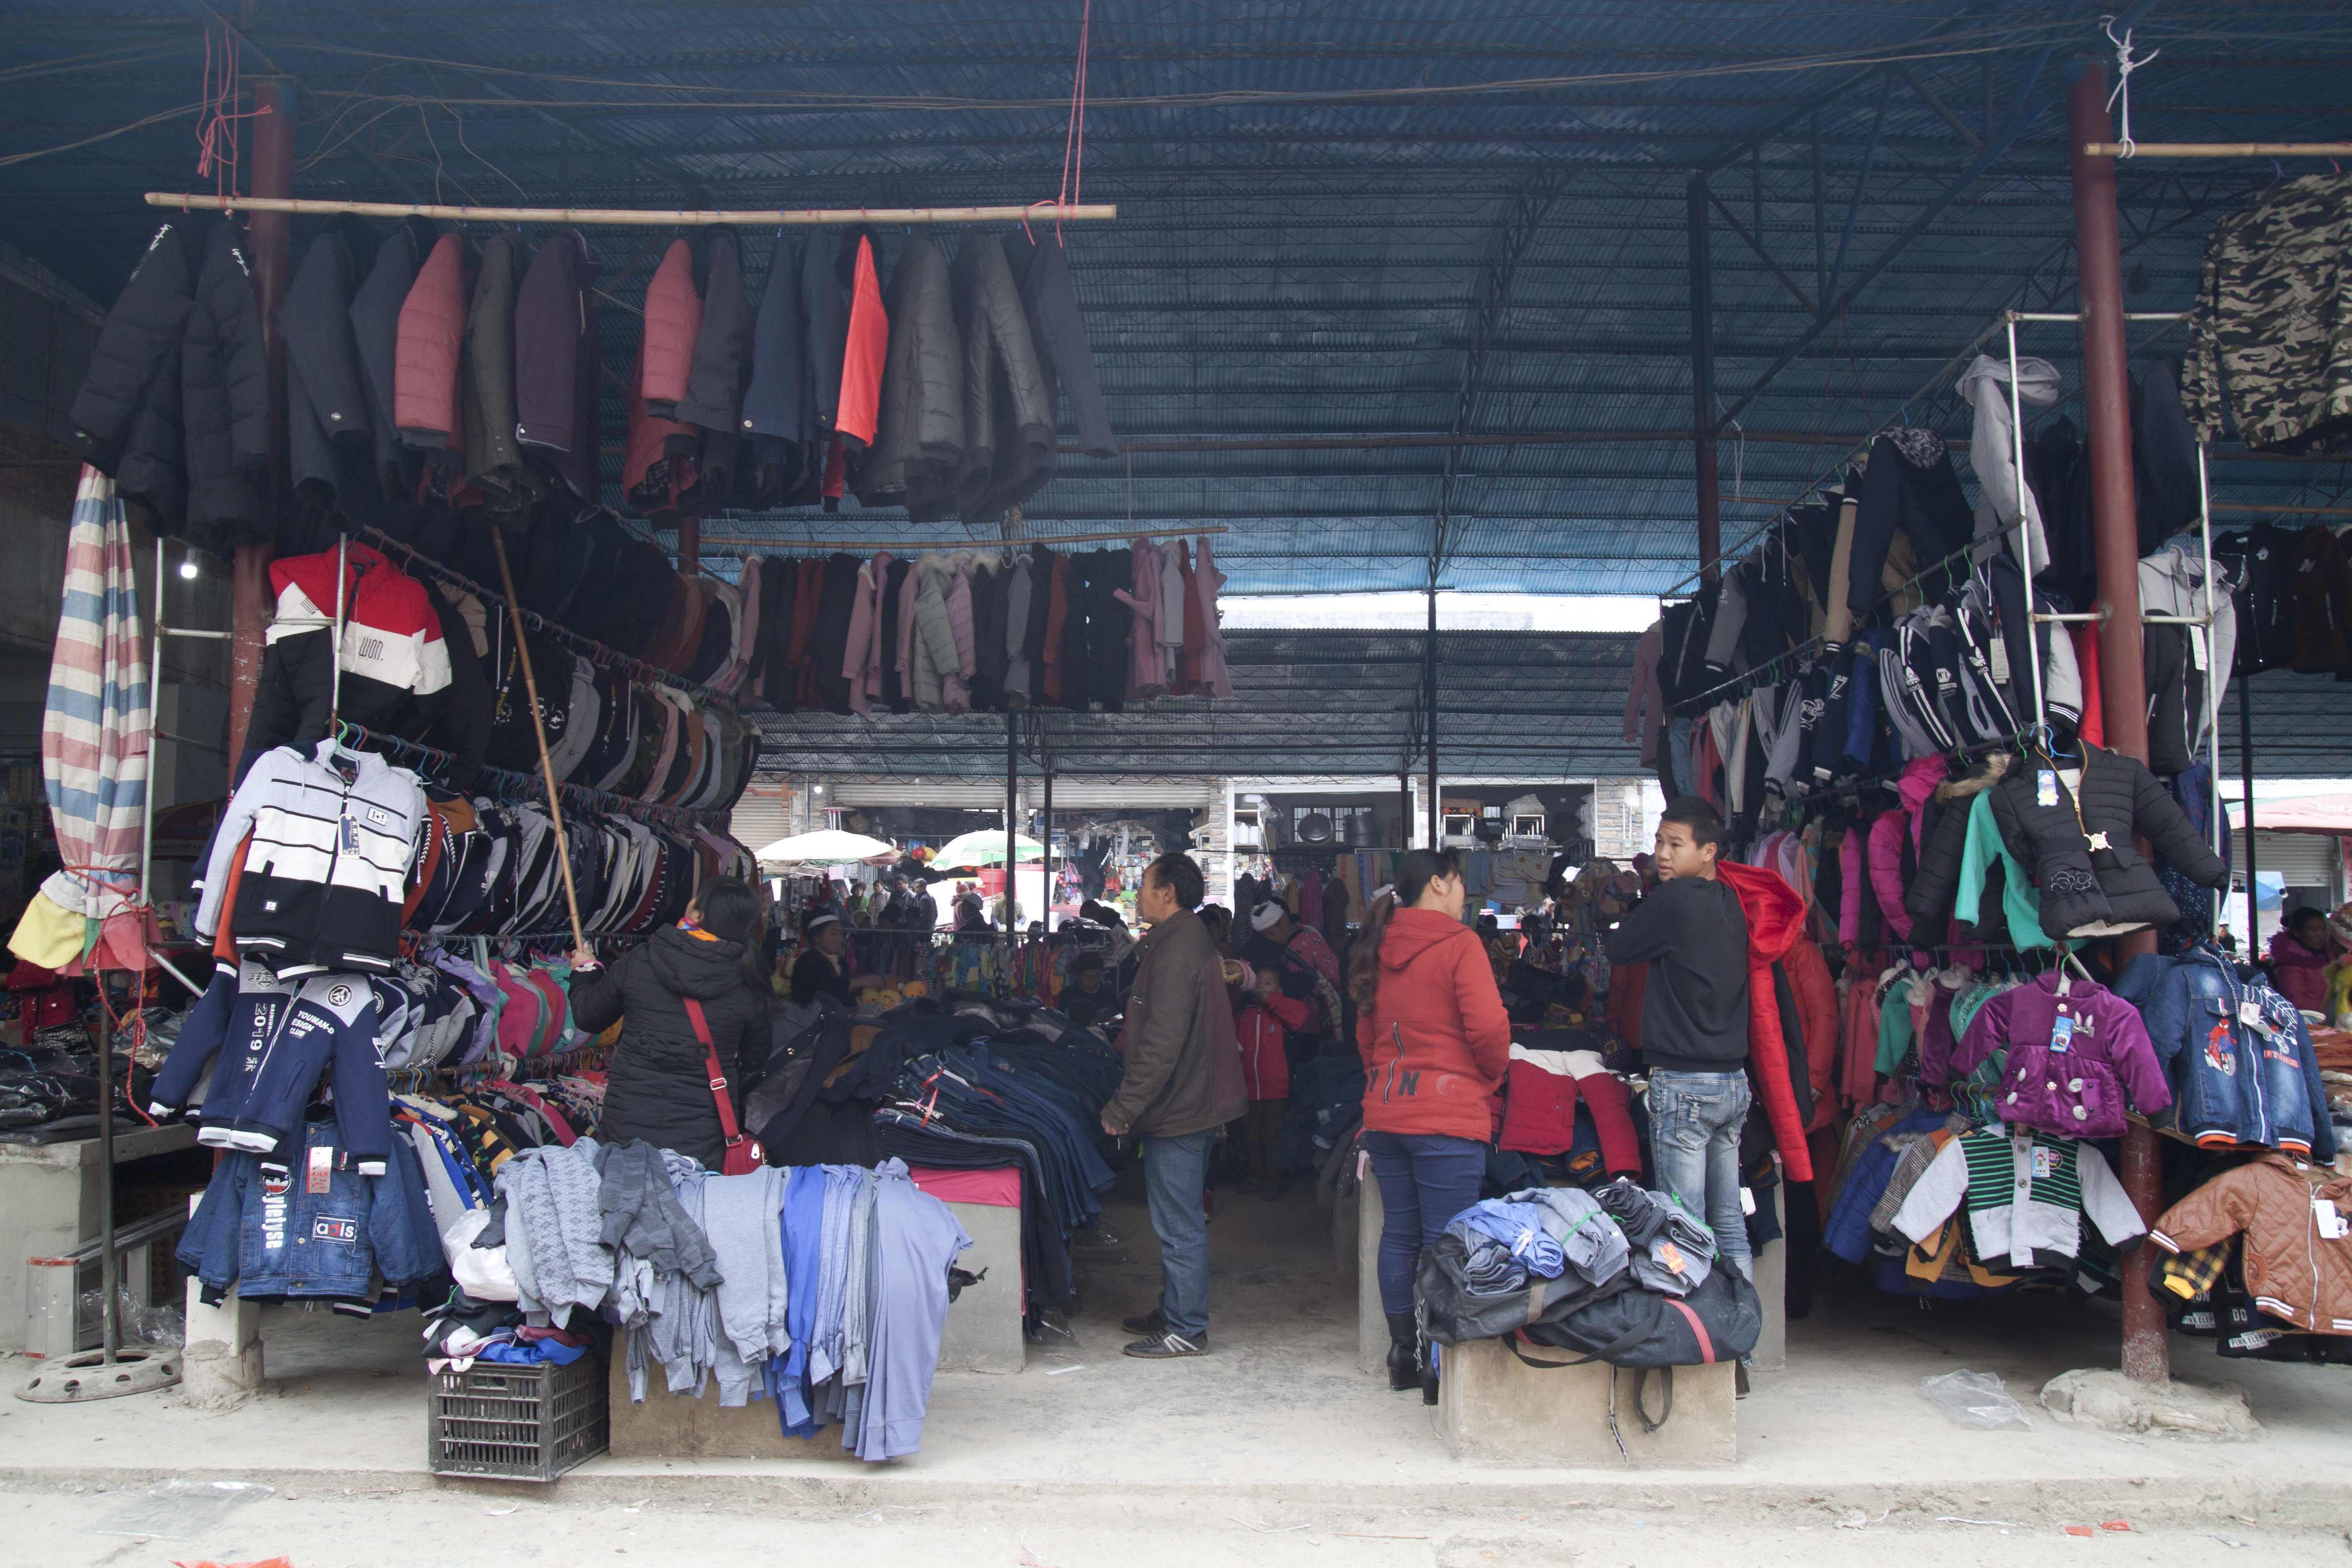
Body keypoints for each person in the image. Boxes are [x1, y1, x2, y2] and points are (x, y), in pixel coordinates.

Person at [1348, 848, 1511, 1391]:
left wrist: (1384, 1084)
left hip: (1387, 1114)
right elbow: (1489, 1030)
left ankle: (1404, 1355)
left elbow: (1366, 1036)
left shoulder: (1378, 943)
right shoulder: (1460, 944)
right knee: (1447, 1240)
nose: (1464, 894)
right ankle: (1438, 1365)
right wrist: (1487, 1079)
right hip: (1447, 1115)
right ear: (1439, 884)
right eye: (1460, 882)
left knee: (1400, 1233)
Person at [1601, 796, 1754, 1280]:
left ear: (1709, 851)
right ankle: (1742, 1324)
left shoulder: (1674, 899)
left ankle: (1694, 1327)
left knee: (1682, 1226)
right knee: (1729, 1223)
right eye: (1659, 842)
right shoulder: (1731, 901)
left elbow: (1619, 947)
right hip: (1732, 1083)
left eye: (1675, 844)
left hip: (1686, 1085)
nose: (1662, 854)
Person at [1102, 851, 1244, 1360]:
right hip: (1188, 1101)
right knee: (1176, 1219)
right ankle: (1174, 1310)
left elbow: (1162, 1043)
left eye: (1144, 885)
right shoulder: (1179, 939)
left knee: (1180, 1225)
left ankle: (1187, 1328)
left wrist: (1122, 1108)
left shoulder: (1177, 949)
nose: (1138, 894)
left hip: (1181, 1108)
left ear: (1168, 893)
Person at [569, 875, 773, 1169]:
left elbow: (588, 1016)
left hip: (627, 1125)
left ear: (698, 915)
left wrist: (586, 971)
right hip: (702, 1135)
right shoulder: (750, 982)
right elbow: (755, 1058)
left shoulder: (641, 960)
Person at [1234, 960, 1310, 1199]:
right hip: (1247, 1087)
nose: (1262, 987)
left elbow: (1301, 1016)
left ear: (1279, 991)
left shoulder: (1282, 1012)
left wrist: (1272, 1001)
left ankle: (1273, 1180)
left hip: (1277, 1088)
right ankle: (1255, 1176)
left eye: (1268, 983)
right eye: (1258, 982)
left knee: (1272, 1136)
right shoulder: (1243, 1014)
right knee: (1250, 1136)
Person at [1244, 898, 1342, 1063]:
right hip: (1272, 1034)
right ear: (1272, 930)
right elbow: (1285, 992)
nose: (1290, 928)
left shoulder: (1258, 948)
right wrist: (1305, 980)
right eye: (1286, 925)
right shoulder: (1265, 957)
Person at [789, 910, 883, 1008]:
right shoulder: (807, 961)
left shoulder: (840, 961)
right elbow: (826, 991)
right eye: (833, 934)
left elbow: (846, 997)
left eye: (840, 933)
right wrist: (859, 982)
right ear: (817, 937)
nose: (840, 939)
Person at [2269, 906, 2337, 1015]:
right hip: (2313, 1020)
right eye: (2315, 930)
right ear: (2297, 933)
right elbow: (2297, 1002)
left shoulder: (2330, 954)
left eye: (2324, 929)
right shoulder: (2289, 964)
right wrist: (2335, 1006)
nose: (2321, 934)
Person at [1062, 951, 1114, 1028]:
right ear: (1078, 977)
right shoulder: (1068, 994)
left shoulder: (1109, 993)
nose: (1093, 981)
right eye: (1088, 977)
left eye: (1096, 976)